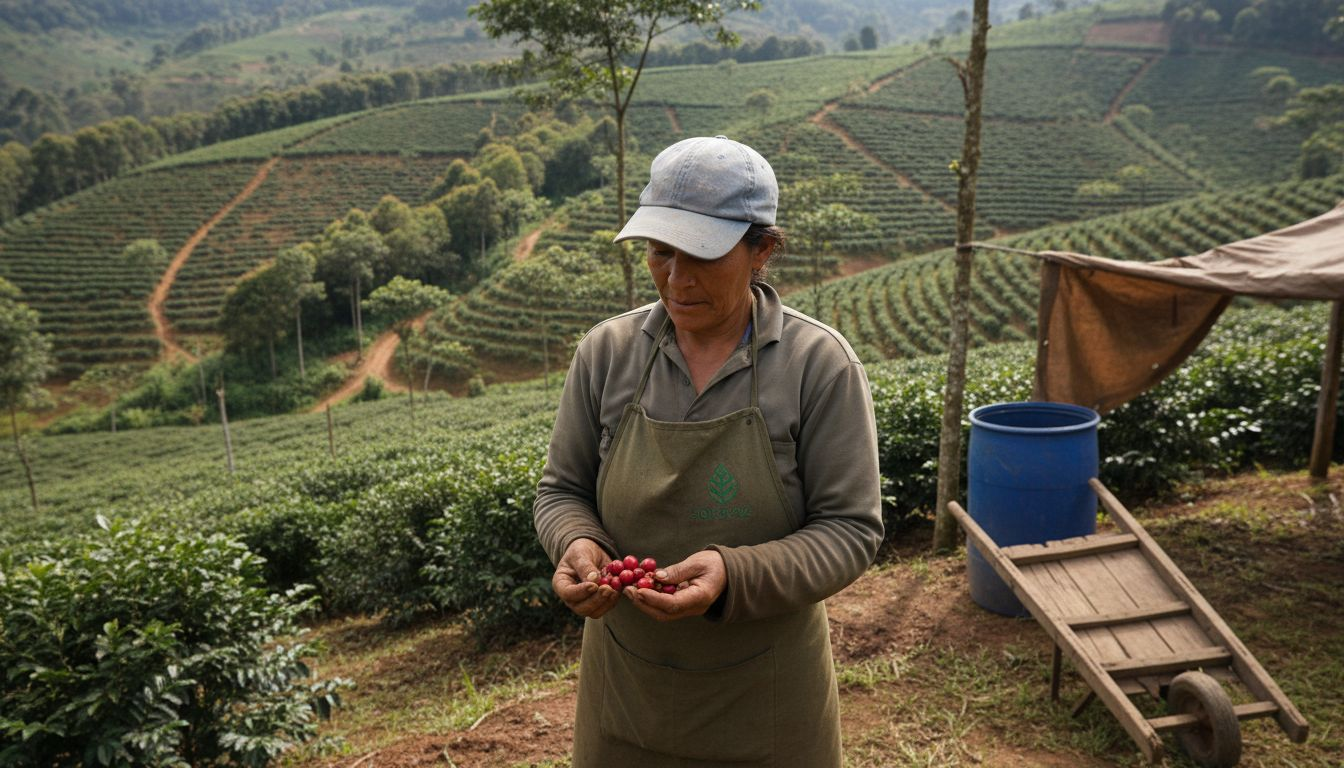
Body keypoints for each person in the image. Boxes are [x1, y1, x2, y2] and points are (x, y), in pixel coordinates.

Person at [534, 135, 883, 766]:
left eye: (702, 255)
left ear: (762, 251)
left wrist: (733, 574)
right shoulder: (607, 354)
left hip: (768, 701)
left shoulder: (817, 366)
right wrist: (576, 545)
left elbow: (850, 530)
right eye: (660, 253)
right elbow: (561, 492)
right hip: (625, 693)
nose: (677, 278)